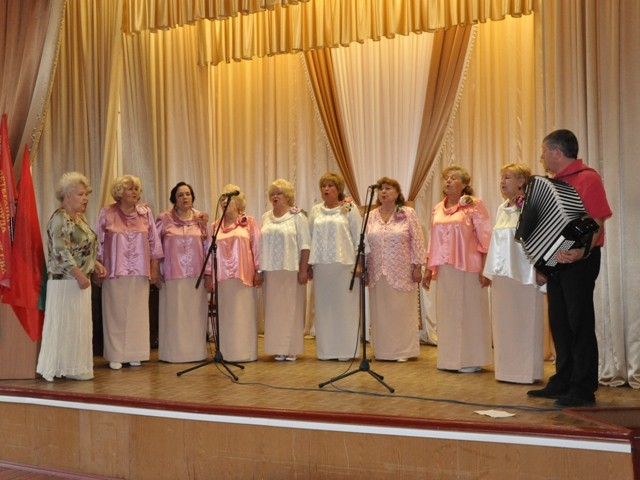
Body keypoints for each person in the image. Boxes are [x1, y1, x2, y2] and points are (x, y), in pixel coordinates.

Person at [527, 129, 612, 407]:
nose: (542, 156)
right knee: (560, 322)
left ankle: (583, 387)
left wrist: (582, 252)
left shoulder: (588, 178)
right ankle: (563, 380)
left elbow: (597, 220)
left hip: (580, 260)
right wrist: (544, 265)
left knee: (579, 322)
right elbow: (547, 229)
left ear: (557, 152)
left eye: (544, 150)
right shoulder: (552, 183)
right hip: (556, 260)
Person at [36, 172, 107, 382]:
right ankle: (58, 366)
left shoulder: (80, 219)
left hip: (79, 280)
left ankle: (74, 366)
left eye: (86, 195)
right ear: (67, 195)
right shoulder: (60, 218)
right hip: (66, 281)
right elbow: (60, 251)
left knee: (77, 326)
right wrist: (78, 275)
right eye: (81, 194)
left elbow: (81, 248)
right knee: (64, 325)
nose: (85, 198)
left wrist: (94, 264)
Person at [423, 165, 493, 373]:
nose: (448, 181)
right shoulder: (438, 208)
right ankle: (450, 359)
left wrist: (486, 268)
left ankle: (470, 359)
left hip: (468, 267)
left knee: (469, 312)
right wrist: (428, 268)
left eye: (453, 178)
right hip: (445, 268)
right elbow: (432, 240)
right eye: (446, 177)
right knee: (448, 313)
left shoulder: (474, 205)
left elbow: (486, 237)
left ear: (464, 184)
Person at [484, 163, 545, 384]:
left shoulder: (532, 206)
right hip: (503, 275)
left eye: (507, 177)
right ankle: (506, 371)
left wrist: (541, 268)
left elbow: (540, 238)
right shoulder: (502, 208)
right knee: (505, 323)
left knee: (526, 321)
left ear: (521, 181)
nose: (502, 181)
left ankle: (526, 372)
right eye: (501, 177)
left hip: (525, 273)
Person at [96, 174, 163, 370]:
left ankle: (136, 353)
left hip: (140, 270)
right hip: (114, 270)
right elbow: (98, 242)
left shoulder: (145, 212)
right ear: (119, 192)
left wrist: (154, 269)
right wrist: (97, 268)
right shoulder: (107, 212)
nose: (134, 192)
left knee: (137, 313)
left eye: (136, 189)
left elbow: (154, 242)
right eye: (129, 188)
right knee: (115, 312)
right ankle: (116, 354)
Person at [365, 177, 426, 362]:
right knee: (381, 312)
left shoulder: (407, 213)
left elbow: (417, 240)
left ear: (397, 193)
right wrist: (363, 267)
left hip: (402, 270)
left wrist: (418, 266)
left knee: (401, 311)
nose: (383, 192)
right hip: (377, 270)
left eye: (388, 188)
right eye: (381, 189)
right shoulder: (371, 215)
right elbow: (364, 243)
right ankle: (383, 351)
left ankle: (403, 351)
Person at [204, 184, 261, 362]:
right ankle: (226, 353)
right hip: (222, 278)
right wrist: (208, 275)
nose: (224, 201)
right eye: (222, 198)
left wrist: (259, 270)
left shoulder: (249, 222)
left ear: (238, 202)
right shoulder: (214, 226)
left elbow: (257, 247)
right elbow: (208, 251)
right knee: (226, 316)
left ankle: (245, 353)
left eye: (229, 198)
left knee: (243, 315)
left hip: (243, 277)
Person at [309, 172, 361, 361]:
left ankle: (346, 350)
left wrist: (359, 264)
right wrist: (307, 265)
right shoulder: (315, 211)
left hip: (344, 265)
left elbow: (358, 236)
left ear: (339, 189)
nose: (326, 189)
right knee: (324, 308)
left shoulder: (349, 208)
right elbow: (309, 237)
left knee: (344, 308)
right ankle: (327, 351)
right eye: (323, 186)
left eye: (330, 185)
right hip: (321, 266)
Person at [155, 182, 209, 363]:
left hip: (196, 275)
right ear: (174, 199)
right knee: (174, 315)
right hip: (172, 274)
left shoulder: (201, 219)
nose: (185, 197)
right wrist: (155, 270)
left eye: (188, 194)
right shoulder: (164, 218)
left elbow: (208, 245)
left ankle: (196, 353)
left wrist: (208, 273)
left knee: (194, 315)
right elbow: (154, 246)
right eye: (180, 195)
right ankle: (173, 354)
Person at [260, 179, 311, 362]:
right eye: (273, 193)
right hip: (271, 270)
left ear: (288, 196)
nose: (275, 196)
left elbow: (305, 245)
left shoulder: (298, 216)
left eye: (279, 193)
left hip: (291, 269)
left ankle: (291, 348)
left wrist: (303, 270)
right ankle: (277, 348)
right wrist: (260, 271)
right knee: (274, 311)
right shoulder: (266, 217)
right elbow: (260, 246)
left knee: (291, 310)